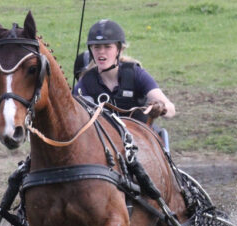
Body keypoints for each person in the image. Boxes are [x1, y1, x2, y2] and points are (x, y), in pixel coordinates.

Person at [73, 19, 175, 151]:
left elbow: (171, 110)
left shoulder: (135, 73)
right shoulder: (85, 82)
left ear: (119, 50)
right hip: (104, 148)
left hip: (142, 143)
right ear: (91, 50)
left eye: (107, 47)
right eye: (96, 47)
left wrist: (162, 107)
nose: (101, 52)